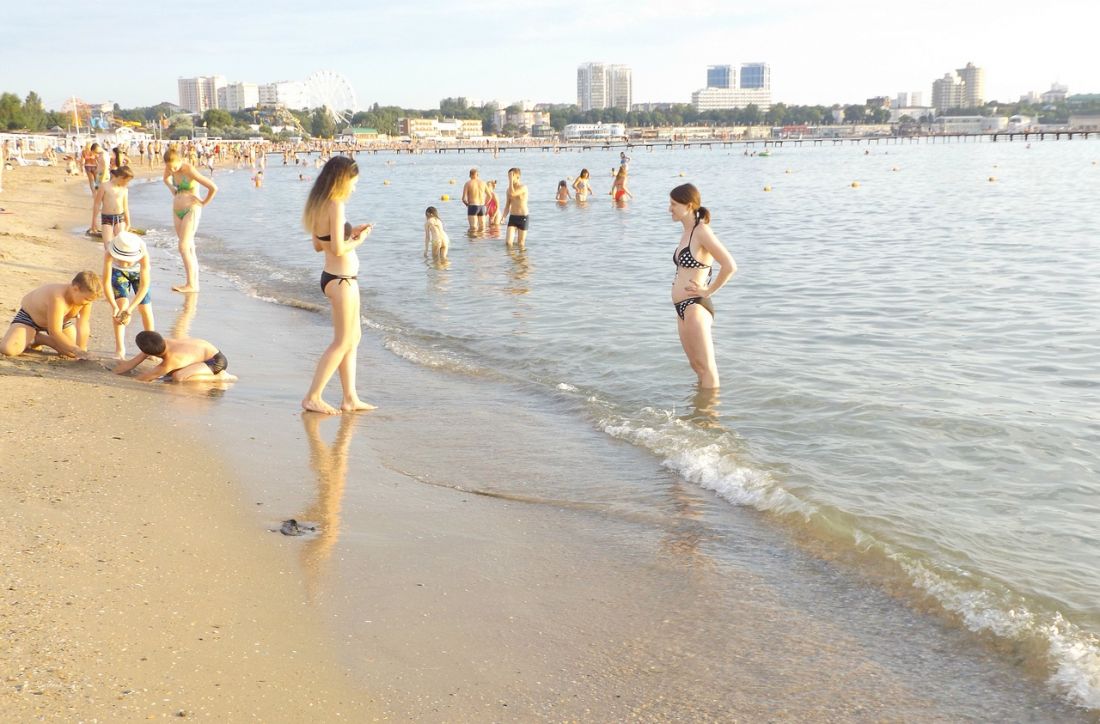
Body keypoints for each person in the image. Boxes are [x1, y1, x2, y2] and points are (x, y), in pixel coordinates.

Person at [301, 156, 375, 415]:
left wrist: (349, 231)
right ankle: (313, 396)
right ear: (342, 179)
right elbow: (340, 249)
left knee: (353, 338)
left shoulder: (317, 204)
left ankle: (350, 398)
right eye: (353, 182)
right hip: (342, 281)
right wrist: (360, 239)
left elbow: (319, 244)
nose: (354, 187)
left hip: (332, 277)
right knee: (342, 342)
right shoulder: (336, 204)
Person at [668, 184, 736, 389]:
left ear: (688, 205)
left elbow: (730, 265)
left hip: (695, 307)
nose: (669, 208)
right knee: (696, 366)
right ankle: (699, 417)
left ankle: (711, 419)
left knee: (707, 368)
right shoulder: (687, 231)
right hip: (682, 308)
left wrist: (708, 290)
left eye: (673, 204)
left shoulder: (701, 231)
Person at [1, 271, 102, 358]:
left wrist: (82, 349)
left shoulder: (86, 300)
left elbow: (83, 324)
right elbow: (55, 331)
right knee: (9, 349)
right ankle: (34, 337)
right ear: (75, 289)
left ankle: (40, 339)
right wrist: (76, 350)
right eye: (87, 299)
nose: (88, 303)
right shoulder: (58, 298)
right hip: (30, 319)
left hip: (60, 321)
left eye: (91, 300)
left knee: (70, 353)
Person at [163, 146, 217, 293]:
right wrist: (172, 189)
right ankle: (194, 283)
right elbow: (165, 178)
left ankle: (191, 284)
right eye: (169, 167)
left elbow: (213, 188)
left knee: (183, 247)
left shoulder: (189, 170)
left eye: (174, 166)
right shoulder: (169, 168)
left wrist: (203, 202)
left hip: (191, 210)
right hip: (177, 210)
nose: (172, 170)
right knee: (189, 248)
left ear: (180, 160)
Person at [102, 230, 154, 359]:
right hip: (118, 273)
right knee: (120, 307)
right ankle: (120, 349)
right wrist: (113, 305)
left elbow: (144, 286)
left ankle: (152, 347)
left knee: (145, 309)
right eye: (121, 259)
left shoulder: (143, 255)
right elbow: (106, 283)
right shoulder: (109, 254)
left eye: (128, 261)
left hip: (138, 274)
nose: (124, 264)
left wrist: (130, 309)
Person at [113, 330, 236, 382]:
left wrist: (130, 381)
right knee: (169, 375)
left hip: (215, 361)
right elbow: (132, 362)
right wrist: (115, 371)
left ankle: (220, 377)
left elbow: (147, 377)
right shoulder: (159, 342)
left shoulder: (173, 359)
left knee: (178, 377)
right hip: (199, 355)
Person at [90, 165, 134, 244]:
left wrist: (128, 222)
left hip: (119, 218)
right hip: (106, 218)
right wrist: (94, 221)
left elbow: (125, 207)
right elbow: (97, 204)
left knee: (119, 243)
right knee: (107, 245)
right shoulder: (104, 186)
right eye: (127, 181)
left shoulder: (124, 189)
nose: (127, 183)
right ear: (121, 177)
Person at [503, 167, 529, 249]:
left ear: (518, 177)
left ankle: (520, 261)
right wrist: (503, 217)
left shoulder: (523, 187)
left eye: (511, 176)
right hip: (513, 217)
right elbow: (507, 206)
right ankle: (513, 260)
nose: (509, 178)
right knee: (508, 243)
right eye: (508, 176)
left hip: (523, 217)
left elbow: (513, 194)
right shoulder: (508, 190)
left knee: (520, 244)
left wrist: (510, 180)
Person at [461, 168, 488, 232]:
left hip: (473, 206)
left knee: (473, 228)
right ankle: (481, 241)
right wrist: (485, 204)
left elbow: (463, 198)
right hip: (482, 206)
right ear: (477, 175)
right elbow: (489, 195)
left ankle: (473, 241)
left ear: (470, 175)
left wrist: (467, 205)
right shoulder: (483, 183)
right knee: (482, 227)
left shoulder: (468, 183)